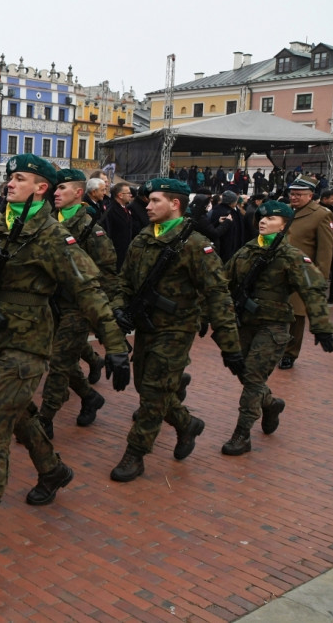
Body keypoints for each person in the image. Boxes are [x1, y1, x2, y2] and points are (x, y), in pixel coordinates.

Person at [0, 155, 130, 553]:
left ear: (41, 188)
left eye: (19, 178)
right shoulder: (1, 227)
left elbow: (89, 289)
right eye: (10, 178)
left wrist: (116, 345)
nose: (9, 184)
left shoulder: (50, 235)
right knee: (19, 415)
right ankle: (52, 469)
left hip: (27, 343)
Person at [110, 178, 244, 483]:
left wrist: (230, 346)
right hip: (146, 326)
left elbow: (218, 295)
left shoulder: (196, 244)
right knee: (146, 387)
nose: (149, 205)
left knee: (154, 394)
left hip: (177, 329)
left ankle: (135, 454)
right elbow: (124, 281)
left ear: (176, 204)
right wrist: (119, 307)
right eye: (148, 200)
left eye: (156, 200)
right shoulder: (143, 238)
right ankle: (186, 423)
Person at [220, 200, 333, 455]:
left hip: (273, 327)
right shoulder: (246, 251)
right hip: (244, 324)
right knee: (243, 372)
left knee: (252, 379)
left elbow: (312, 289)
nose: (263, 220)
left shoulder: (292, 256)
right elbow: (221, 281)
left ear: (284, 225)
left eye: (271, 218)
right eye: (261, 217)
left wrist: (322, 326)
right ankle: (270, 403)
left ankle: (242, 434)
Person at [37, 169, 119, 438]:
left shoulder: (90, 231)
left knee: (60, 363)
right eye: (55, 189)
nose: (56, 193)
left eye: (62, 188)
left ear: (78, 193)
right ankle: (89, 396)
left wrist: (97, 313)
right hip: (52, 304)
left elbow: (106, 272)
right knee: (61, 359)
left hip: (77, 307)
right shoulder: (47, 222)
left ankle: (45, 417)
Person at [278, 176, 333, 370]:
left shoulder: (321, 215)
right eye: (292, 194)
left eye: (299, 194)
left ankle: (290, 353)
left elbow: (325, 250)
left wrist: (319, 277)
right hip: (279, 272)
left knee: (297, 315)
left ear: (310, 195)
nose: (294, 197)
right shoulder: (286, 212)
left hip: (303, 273)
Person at [103, 181, 134, 271]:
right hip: (115, 252)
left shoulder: (125, 209)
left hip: (125, 250)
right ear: (120, 195)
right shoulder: (111, 210)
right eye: (128, 193)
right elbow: (108, 232)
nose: (130, 195)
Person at [208, 190, 245, 262]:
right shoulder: (229, 212)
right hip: (228, 247)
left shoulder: (216, 210)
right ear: (231, 202)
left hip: (224, 246)